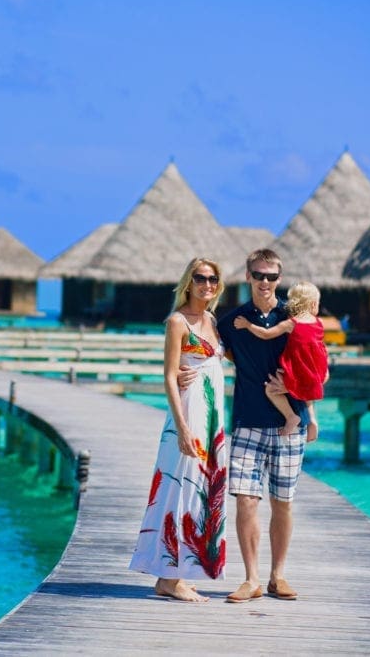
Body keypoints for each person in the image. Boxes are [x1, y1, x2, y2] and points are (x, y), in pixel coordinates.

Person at [129, 258, 228, 602]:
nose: (207, 284)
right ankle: (168, 577)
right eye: (200, 278)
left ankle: (179, 572)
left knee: (201, 488)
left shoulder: (212, 320)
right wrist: (183, 428)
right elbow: (170, 376)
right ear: (188, 282)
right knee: (179, 486)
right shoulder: (178, 322)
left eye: (213, 279)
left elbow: (213, 362)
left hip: (212, 417)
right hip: (189, 416)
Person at [216, 248, 308, 603]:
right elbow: (214, 352)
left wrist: (297, 388)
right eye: (259, 275)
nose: (265, 282)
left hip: (289, 425)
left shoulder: (294, 317)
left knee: (282, 502)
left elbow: (319, 367)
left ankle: (277, 576)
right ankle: (251, 578)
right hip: (248, 422)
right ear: (248, 277)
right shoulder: (232, 320)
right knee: (245, 501)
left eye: (272, 276)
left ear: (279, 279)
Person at [233, 280, 329, 442]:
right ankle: (312, 419)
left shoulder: (291, 324)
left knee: (271, 389)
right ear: (313, 305)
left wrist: (247, 325)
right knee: (307, 391)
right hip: (316, 370)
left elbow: (266, 333)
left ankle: (291, 416)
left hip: (297, 370)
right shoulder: (318, 323)